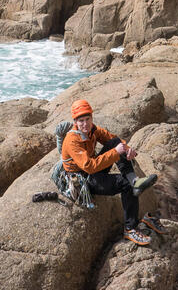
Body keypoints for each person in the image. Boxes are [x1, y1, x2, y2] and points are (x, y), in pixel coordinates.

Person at [60, 98, 163, 245]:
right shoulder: (72, 140)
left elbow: (113, 139)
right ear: (75, 121)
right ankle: (130, 229)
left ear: (91, 117)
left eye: (87, 119)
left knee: (115, 143)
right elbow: (89, 166)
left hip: (93, 171)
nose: (85, 124)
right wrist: (115, 153)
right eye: (80, 120)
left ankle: (135, 180)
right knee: (125, 185)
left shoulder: (93, 130)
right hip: (84, 180)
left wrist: (127, 150)